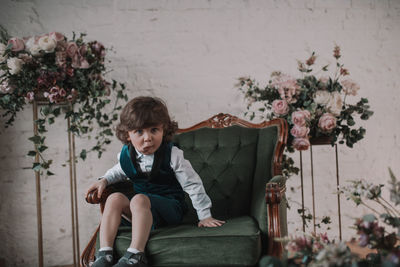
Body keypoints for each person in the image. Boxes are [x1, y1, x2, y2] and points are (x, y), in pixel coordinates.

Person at [86, 96, 225, 267]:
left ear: (164, 130)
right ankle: (105, 255)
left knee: (138, 199)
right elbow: (118, 171)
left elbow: (192, 184)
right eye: (139, 132)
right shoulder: (126, 154)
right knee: (114, 198)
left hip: (170, 209)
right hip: (142, 213)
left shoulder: (172, 155)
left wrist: (205, 216)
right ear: (127, 134)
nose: (148, 138)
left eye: (154, 130)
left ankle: (136, 255)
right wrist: (104, 180)